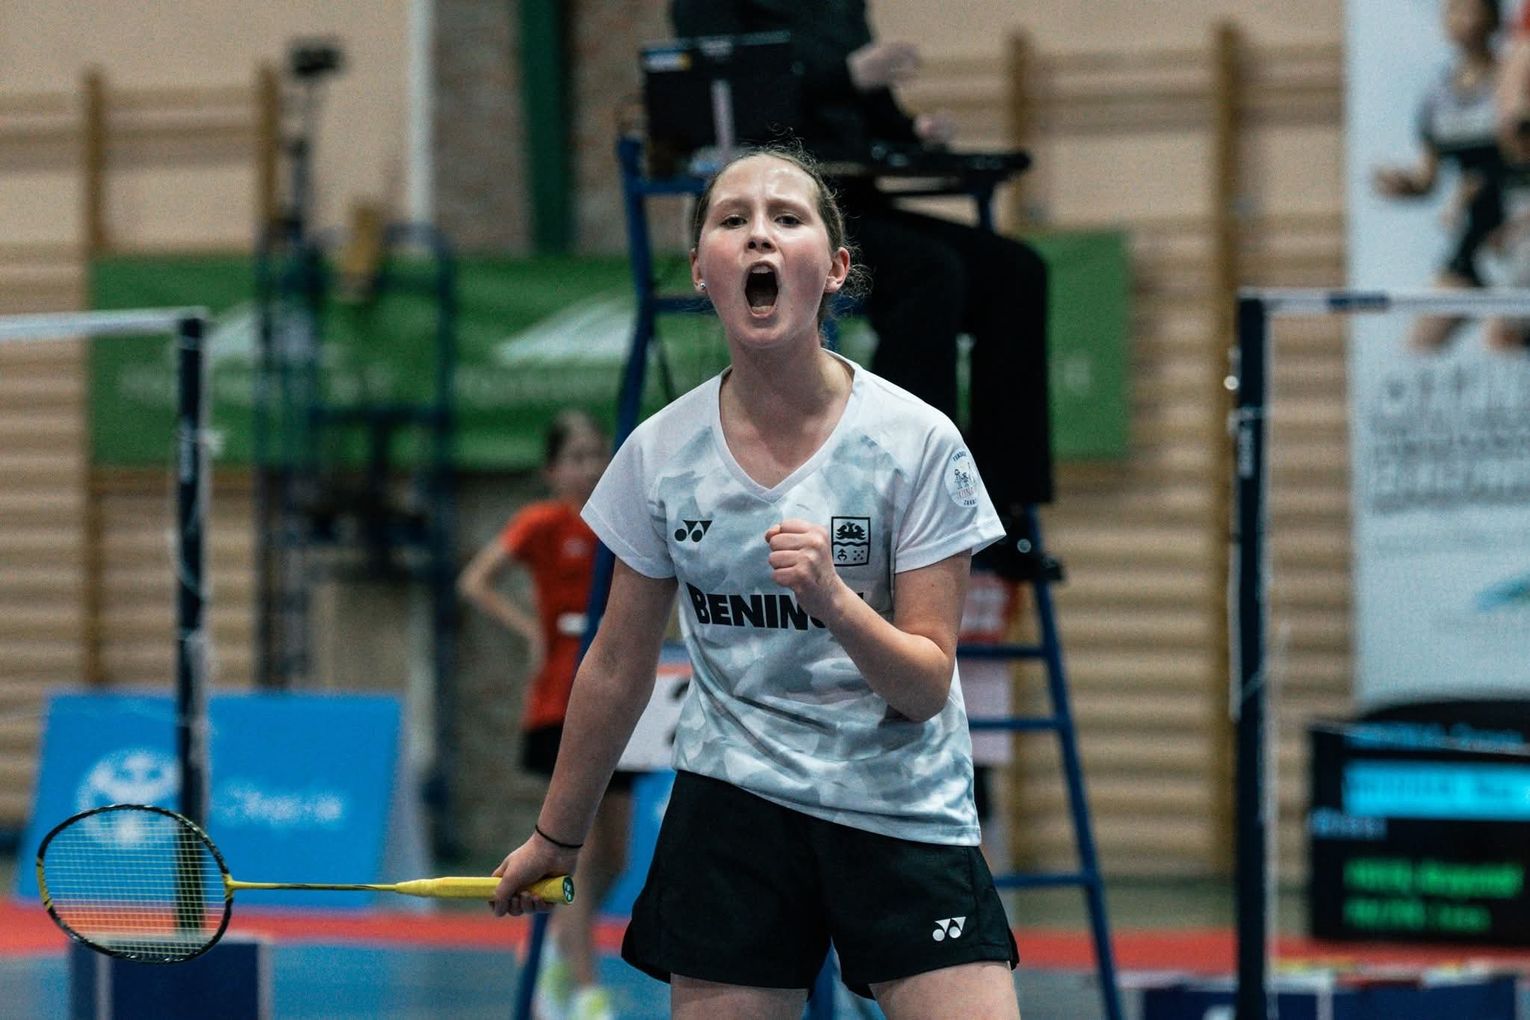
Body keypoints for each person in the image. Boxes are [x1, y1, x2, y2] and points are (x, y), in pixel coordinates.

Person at [491, 146, 1021, 1019]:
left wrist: (836, 603)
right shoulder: (660, 454)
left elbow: (925, 686)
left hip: (897, 802)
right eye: (733, 220)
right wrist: (558, 835)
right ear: (702, 271)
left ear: (836, 268)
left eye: (787, 218)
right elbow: (615, 666)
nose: (759, 235)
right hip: (735, 804)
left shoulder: (917, 443)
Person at [668, 0, 1054, 581]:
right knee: (930, 273)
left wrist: (909, 131)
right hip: (781, 212)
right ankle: (910, 489)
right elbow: (732, 97)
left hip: (859, 197)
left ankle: (996, 505)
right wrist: (844, 74)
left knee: (1015, 271)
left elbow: (864, 105)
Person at [457, 409, 628, 1020]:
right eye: (576, 457)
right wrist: (530, 630)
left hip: (622, 702)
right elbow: (475, 581)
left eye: (597, 454)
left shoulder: (622, 522)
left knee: (614, 858)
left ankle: (553, 944)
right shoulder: (541, 523)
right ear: (552, 470)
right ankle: (585, 992)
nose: (589, 467)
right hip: (560, 701)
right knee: (574, 851)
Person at [1371, 0, 1503, 351]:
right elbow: (1428, 179)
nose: (1461, 19)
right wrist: (1405, 185)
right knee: (1419, 344)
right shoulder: (1438, 95)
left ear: (1492, 18)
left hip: (1516, 233)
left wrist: (1474, 188)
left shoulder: (1513, 79)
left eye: (1470, 9)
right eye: (1452, 10)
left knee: (1502, 341)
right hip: (1474, 241)